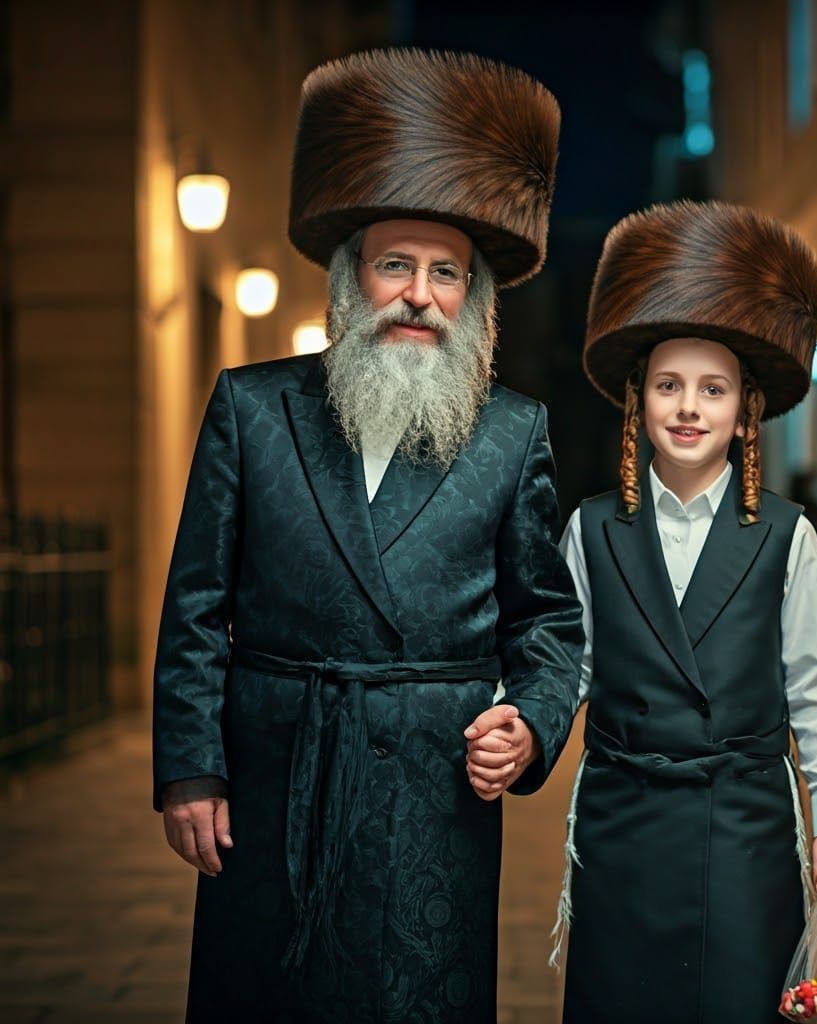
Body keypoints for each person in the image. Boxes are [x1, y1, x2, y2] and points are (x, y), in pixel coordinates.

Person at [152, 48, 583, 1023]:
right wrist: (191, 767)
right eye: (397, 264)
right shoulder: (252, 409)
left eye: (446, 273)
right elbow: (194, 606)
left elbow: (550, 628)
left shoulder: (514, 434)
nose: (419, 294)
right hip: (275, 789)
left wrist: (529, 725)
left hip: (432, 804)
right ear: (353, 277)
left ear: (472, 297)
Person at [549, 200, 817, 1023]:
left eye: (712, 389)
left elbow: (816, 686)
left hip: (745, 825)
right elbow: (566, 667)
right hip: (623, 821)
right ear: (637, 402)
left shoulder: (787, 535)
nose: (689, 407)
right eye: (669, 386)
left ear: (744, 411)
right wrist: (520, 721)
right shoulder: (590, 527)